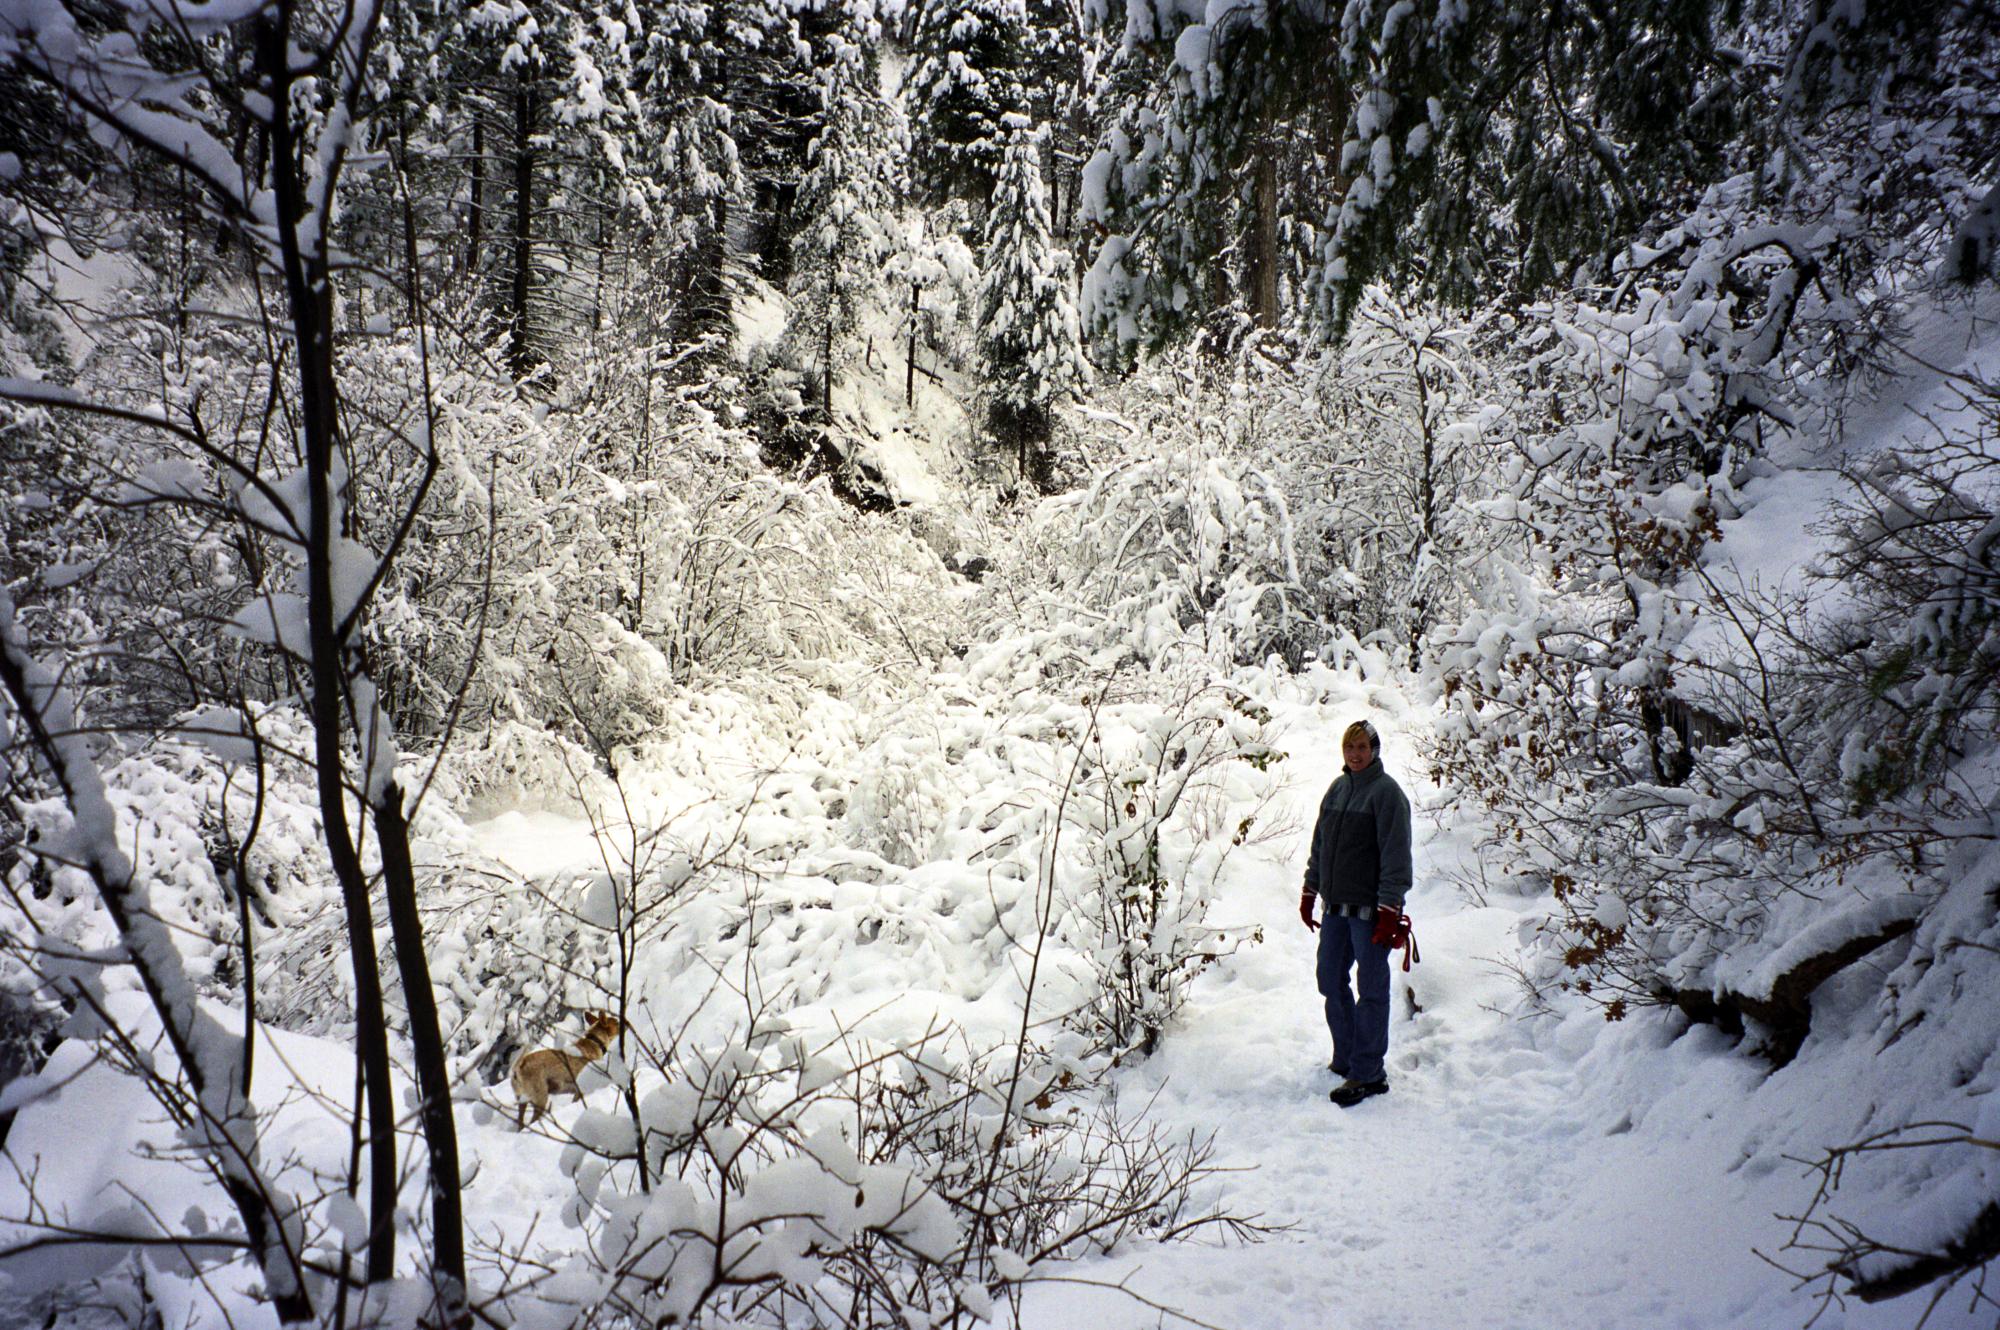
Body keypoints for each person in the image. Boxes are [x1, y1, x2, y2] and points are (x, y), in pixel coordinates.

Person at [1298, 718, 1412, 1107]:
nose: (1355, 755)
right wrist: (1310, 889)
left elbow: (1396, 857)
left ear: (1374, 751)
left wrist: (1389, 909)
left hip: (1370, 911)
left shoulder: (1387, 794)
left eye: (1362, 748)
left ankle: (1368, 1072)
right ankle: (1347, 1058)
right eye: (1350, 748)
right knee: (1330, 979)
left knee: (1372, 989)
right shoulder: (1337, 789)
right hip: (1334, 908)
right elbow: (1320, 845)